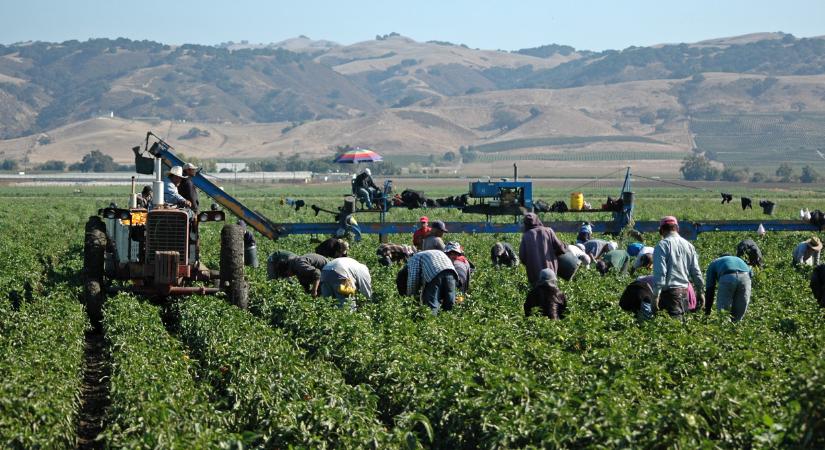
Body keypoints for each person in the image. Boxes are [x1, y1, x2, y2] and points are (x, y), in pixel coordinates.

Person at [651, 216, 705, 318]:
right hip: (684, 293)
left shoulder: (662, 245)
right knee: (681, 328)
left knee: (670, 330)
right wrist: (700, 292)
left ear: (661, 230)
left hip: (669, 295)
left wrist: (655, 296)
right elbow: (696, 272)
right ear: (677, 228)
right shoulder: (689, 245)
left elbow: (660, 272)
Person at [396, 250, 458, 314]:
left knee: (432, 304)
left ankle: (431, 322)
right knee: (449, 302)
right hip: (451, 272)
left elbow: (413, 283)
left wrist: (411, 299)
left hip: (434, 272)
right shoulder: (423, 255)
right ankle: (448, 320)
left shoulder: (412, 261)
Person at [519, 213, 567, 285]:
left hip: (534, 273)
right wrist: (564, 247)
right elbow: (560, 248)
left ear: (526, 224)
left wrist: (531, 264)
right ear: (537, 220)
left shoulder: (526, 236)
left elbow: (522, 257)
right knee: (552, 292)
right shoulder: (548, 231)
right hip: (550, 270)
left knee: (538, 294)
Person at [704, 255, 753, 322]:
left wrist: (707, 312)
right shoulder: (739, 259)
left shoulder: (714, 263)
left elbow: (710, 289)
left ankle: (724, 326)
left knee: (723, 310)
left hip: (728, 276)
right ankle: (736, 326)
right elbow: (751, 275)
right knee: (740, 308)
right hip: (745, 277)